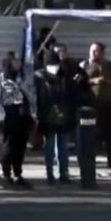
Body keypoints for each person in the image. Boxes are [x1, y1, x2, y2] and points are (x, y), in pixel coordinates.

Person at [0, 56, 34, 189]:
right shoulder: (0, 80)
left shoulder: (20, 78)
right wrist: (1, 114)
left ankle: (18, 174)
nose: (17, 65)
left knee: (20, 147)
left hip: (23, 117)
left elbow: (29, 95)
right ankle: (6, 174)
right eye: (14, 62)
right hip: (9, 116)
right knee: (9, 147)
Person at [35, 53, 78, 184]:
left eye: (56, 64)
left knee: (62, 148)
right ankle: (50, 174)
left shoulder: (65, 77)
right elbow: (37, 99)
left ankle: (63, 173)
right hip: (48, 118)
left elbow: (71, 97)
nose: (55, 67)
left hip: (62, 117)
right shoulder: (39, 78)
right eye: (52, 64)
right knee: (50, 148)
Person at [80, 42, 111, 167]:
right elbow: (79, 82)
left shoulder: (109, 65)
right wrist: (93, 81)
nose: (93, 53)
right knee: (91, 134)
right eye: (91, 50)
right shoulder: (84, 65)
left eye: (96, 51)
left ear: (102, 52)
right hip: (90, 104)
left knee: (108, 134)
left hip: (106, 103)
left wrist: (105, 81)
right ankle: (90, 160)